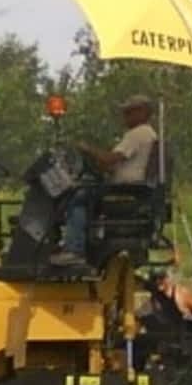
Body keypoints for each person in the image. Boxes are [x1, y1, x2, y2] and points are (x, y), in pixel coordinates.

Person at [56, 96, 163, 264]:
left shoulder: (138, 133)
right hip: (130, 188)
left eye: (129, 112)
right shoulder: (146, 134)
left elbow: (110, 159)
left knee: (77, 198)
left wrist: (87, 149)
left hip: (127, 189)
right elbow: (112, 165)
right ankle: (84, 243)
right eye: (124, 112)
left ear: (143, 112)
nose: (125, 116)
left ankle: (73, 250)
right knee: (84, 192)